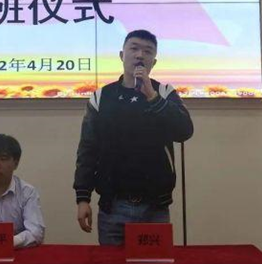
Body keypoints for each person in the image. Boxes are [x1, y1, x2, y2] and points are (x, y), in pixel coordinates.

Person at [74, 29, 194, 245]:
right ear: (122, 55)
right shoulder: (102, 97)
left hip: (155, 207)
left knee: (154, 260)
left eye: (147, 51)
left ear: (153, 62)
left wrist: (152, 96)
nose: (140, 55)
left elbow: (184, 131)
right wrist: (83, 198)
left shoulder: (164, 93)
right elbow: (87, 150)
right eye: (134, 48)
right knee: (110, 260)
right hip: (113, 206)